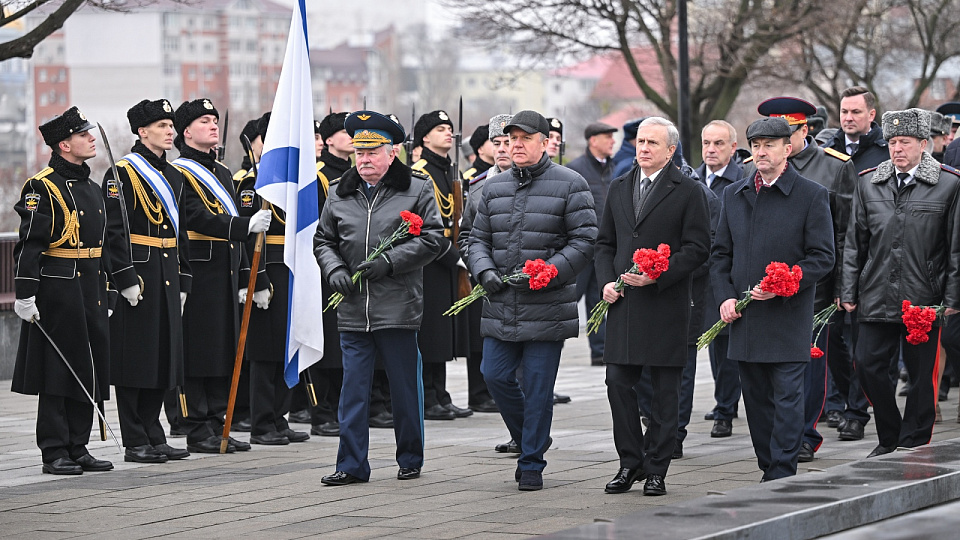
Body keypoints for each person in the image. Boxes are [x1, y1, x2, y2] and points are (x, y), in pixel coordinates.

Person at [467, 109, 597, 491]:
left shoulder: (571, 183)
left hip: (546, 306)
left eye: (525, 138)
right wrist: (484, 271)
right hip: (501, 302)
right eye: (511, 139)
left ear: (545, 143)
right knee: (494, 374)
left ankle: (531, 462)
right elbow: (477, 240)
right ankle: (531, 438)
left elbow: (585, 240)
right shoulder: (494, 187)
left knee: (539, 388)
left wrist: (551, 271)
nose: (516, 145)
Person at [313, 110, 442, 485]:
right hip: (353, 307)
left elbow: (433, 239)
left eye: (372, 152)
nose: (364, 160)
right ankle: (351, 464)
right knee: (353, 390)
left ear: (393, 152)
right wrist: (334, 270)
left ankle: (410, 457)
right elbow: (324, 240)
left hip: (397, 304)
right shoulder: (339, 190)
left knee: (404, 387)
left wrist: (390, 261)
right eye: (359, 152)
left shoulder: (416, 188)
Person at [711, 117, 834, 481]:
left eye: (769, 145)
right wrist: (726, 298)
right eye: (756, 146)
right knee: (757, 402)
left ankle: (781, 470)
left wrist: (788, 282)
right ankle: (769, 465)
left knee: (787, 399)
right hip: (745, 321)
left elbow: (822, 257)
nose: (761, 152)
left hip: (788, 316)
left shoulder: (811, 194)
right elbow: (720, 256)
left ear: (787, 148)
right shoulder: (733, 194)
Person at [595, 117, 710, 496]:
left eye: (652, 143)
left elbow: (697, 249)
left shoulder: (688, 190)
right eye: (641, 141)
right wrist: (607, 282)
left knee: (664, 394)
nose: (643, 148)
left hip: (665, 306)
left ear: (670, 150)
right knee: (617, 384)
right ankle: (630, 462)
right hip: (625, 305)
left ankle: (657, 467)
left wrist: (659, 276)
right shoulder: (618, 187)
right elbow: (605, 244)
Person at [840, 108, 960, 458]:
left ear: (924, 144)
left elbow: (955, 248)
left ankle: (914, 440)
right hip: (875, 294)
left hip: (924, 297)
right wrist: (847, 289)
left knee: (922, 377)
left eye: (905, 142)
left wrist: (952, 297)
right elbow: (854, 242)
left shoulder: (949, 184)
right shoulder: (868, 182)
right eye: (892, 142)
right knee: (867, 364)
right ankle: (889, 434)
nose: (897, 149)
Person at [747, 97, 859, 461]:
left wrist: (844, 287)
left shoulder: (833, 167)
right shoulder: (754, 168)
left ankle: (806, 433)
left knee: (809, 362)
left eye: (787, 134)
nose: (777, 142)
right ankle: (780, 433)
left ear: (803, 130)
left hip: (813, 287)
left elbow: (845, 234)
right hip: (763, 290)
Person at [12, 106, 114, 475]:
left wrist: (111, 293)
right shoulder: (43, 186)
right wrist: (25, 294)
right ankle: (54, 449)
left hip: (91, 286)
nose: (91, 139)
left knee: (88, 367)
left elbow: (104, 247)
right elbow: (29, 244)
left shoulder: (91, 185)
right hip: (58, 288)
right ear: (63, 144)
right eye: (83, 134)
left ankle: (78, 444)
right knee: (59, 370)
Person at [173, 98, 269, 454]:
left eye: (215, 120)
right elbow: (196, 216)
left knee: (224, 349)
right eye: (204, 121)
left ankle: (219, 422)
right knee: (200, 350)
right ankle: (197, 426)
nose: (213, 125)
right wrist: (243, 225)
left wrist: (247, 277)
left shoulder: (222, 172)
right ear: (186, 132)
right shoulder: (178, 173)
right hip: (199, 269)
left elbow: (235, 234)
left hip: (225, 270)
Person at [102, 98, 191, 464]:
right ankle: (135, 438)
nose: (170, 131)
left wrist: (184, 279)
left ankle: (155, 433)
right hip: (139, 274)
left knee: (162, 357)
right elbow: (113, 231)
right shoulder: (121, 173)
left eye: (171, 125)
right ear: (142, 131)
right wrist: (124, 277)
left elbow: (180, 230)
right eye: (162, 126)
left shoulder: (173, 175)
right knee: (135, 358)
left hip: (167, 272)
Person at [234, 112, 310, 446]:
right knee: (264, 349)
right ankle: (262, 421)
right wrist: (257, 278)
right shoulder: (253, 183)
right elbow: (249, 236)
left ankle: (280, 417)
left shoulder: (295, 180)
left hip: (293, 265)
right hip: (268, 266)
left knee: (286, 346)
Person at [411, 110, 472, 421]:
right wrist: (451, 254)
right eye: (440, 129)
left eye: (449, 128)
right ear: (424, 137)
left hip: (449, 253)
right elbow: (422, 225)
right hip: (431, 257)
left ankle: (440, 394)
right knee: (431, 331)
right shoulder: (421, 172)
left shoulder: (448, 170)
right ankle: (427, 395)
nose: (448, 133)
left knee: (444, 330)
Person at [694, 120, 743, 437]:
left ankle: (726, 408)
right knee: (707, 342)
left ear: (733, 148)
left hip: (726, 270)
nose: (711, 149)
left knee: (725, 342)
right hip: (696, 272)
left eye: (719, 143)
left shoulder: (741, 181)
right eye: (707, 143)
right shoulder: (693, 178)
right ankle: (720, 402)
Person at [567, 121, 618, 366]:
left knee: (598, 298)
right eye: (607, 137)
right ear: (592, 140)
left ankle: (599, 350)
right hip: (581, 247)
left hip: (604, 247)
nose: (612, 141)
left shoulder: (614, 168)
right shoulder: (576, 169)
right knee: (571, 296)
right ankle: (551, 339)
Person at [821, 86, 888, 173]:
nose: (848, 118)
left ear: (871, 115)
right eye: (844, 112)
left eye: (856, 112)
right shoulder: (825, 152)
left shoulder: (889, 151)